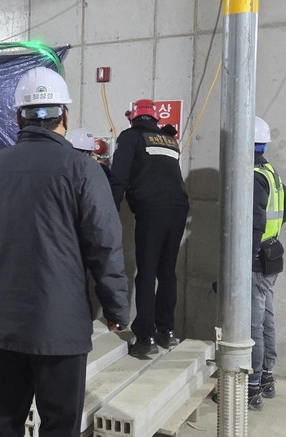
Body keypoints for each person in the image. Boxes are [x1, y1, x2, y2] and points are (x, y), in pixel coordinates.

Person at [0, 66, 130, 437]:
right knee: (59, 425)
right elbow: (104, 246)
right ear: (64, 116)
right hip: (61, 328)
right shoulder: (83, 170)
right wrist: (116, 309)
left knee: (2, 421)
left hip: (4, 324)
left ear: (18, 118)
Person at [110, 99, 189, 356]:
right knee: (167, 271)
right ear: (155, 119)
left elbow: (119, 177)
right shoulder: (170, 141)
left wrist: (109, 212)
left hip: (152, 209)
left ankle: (146, 337)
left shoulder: (130, 137)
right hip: (178, 208)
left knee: (146, 271)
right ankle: (167, 331)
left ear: (133, 118)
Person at [248, 116, 286, 411]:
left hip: (256, 261)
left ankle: (252, 387)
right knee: (267, 318)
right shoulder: (270, 172)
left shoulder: (253, 176)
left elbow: (254, 223)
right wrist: (272, 234)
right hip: (272, 255)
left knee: (253, 325)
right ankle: (267, 377)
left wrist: (247, 256)